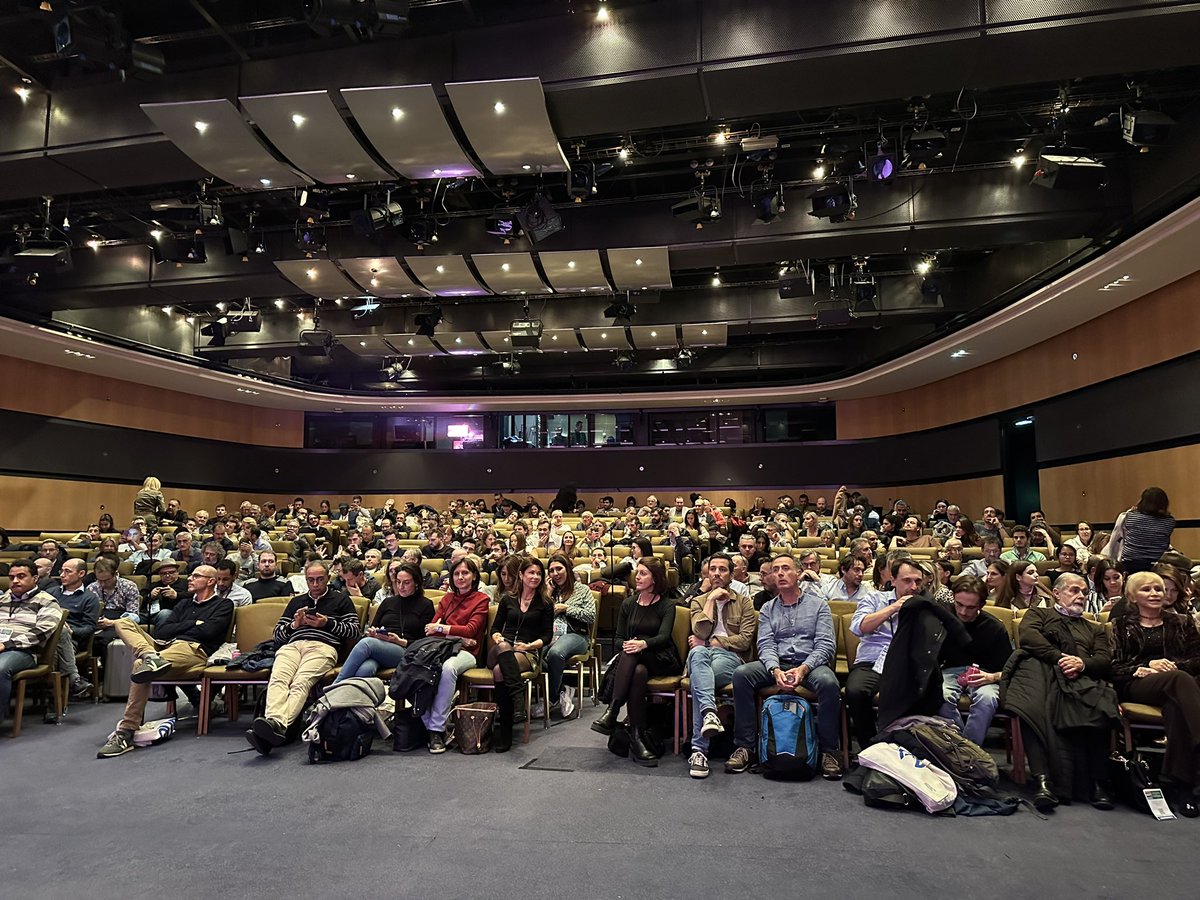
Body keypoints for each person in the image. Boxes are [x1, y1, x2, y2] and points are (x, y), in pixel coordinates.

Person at [1001, 573, 1118, 812]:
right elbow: (1029, 638)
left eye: (1084, 592)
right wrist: (1061, 658)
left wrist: (1082, 664)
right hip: (1040, 671)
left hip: (1081, 678)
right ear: (1056, 593)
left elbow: (1104, 660)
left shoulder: (1093, 628)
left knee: (1100, 705)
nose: (1081, 596)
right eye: (1074, 590)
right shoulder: (1039, 614)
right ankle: (1043, 781)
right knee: (1030, 706)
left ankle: (1097, 783)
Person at [726, 554, 843, 780]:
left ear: (798, 574)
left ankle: (829, 751)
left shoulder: (819, 606)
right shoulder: (768, 608)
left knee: (829, 683)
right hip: (778, 663)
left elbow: (826, 645)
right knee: (741, 674)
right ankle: (746, 747)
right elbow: (766, 643)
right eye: (776, 569)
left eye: (786, 569)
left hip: (810, 664)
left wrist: (803, 669)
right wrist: (774, 670)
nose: (779, 573)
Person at [97, 566, 234, 758]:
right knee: (122, 622)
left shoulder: (223, 605)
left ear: (211, 581)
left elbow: (209, 632)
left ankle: (126, 732)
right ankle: (150, 656)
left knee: (139, 666)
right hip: (163, 646)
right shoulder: (184, 604)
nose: (190, 579)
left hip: (192, 650)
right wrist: (195, 623)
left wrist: (181, 628)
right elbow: (162, 631)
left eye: (196, 576)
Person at [1110, 570, 1200, 817]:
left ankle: (1183, 787)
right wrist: (1144, 668)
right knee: (1179, 681)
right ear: (1132, 595)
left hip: (1178, 688)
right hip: (1138, 686)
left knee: (1176, 707)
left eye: (1159, 589)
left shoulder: (1182, 622)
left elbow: (1197, 659)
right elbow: (1113, 665)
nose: (1155, 593)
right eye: (1147, 589)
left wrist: (1173, 666)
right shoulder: (1120, 625)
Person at [247, 561, 360, 754]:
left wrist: (327, 623)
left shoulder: (341, 600)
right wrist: (294, 625)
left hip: (323, 647)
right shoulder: (296, 602)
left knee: (300, 682)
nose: (315, 584)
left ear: (328, 578)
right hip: (293, 645)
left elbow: (354, 631)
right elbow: (277, 635)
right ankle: (275, 727)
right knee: (278, 680)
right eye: (311, 580)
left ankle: (275, 726)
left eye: (319, 580)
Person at [591, 557, 679, 766]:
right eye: (637, 572)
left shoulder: (667, 605)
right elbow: (619, 638)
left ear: (655, 578)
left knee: (633, 654)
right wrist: (630, 645)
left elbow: (663, 637)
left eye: (643, 573)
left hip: (660, 657)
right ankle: (638, 738)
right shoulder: (629, 604)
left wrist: (642, 644)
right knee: (638, 672)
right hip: (636, 659)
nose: (637, 577)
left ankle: (613, 710)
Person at [684, 554, 756, 779]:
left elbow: (744, 641)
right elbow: (701, 631)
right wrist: (711, 600)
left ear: (731, 575)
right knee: (697, 654)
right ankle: (709, 714)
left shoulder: (744, 602)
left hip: (730, 657)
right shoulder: (698, 601)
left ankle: (698, 751)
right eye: (712, 569)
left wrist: (715, 642)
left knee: (699, 678)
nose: (716, 573)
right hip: (702, 656)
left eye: (722, 570)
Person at [846, 558, 922, 752]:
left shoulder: (925, 605)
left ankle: (907, 749)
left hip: (906, 665)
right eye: (907, 581)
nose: (913, 587)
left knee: (919, 692)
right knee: (855, 692)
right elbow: (859, 627)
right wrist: (895, 607)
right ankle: (871, 748)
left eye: (918, 581)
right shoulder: (874, 598)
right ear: (893, 580)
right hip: (872, 662)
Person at [421, 556, 490, 754]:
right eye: (457, 573)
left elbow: (471, 630)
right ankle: (428, 723)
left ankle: (436, 728)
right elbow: (430, 630)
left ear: (474, 576)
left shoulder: (481, 599)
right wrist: (457, 637)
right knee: (417, 666)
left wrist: (444, 628)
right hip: (444, 648)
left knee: (448, 668)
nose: (460, 577)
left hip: (468, 653)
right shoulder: (447, 598)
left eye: (465, 573)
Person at [937, 576, 1013, 746]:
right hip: (948, 671)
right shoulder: (942, 619)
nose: (963, 612)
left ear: (981, 605)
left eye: (970, 607)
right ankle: (964, 748)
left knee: (987, 699)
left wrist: (991, 677)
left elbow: (1009, 669)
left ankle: (968, 750)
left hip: (986, 674)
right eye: (959, 605)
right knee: (939, 695)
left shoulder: (994, 627)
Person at [489, 556, 554, 752]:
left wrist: (529, 646)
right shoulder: (507, 599)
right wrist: (499, 638)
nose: (535, 577)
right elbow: (495, 629)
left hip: (527, 652)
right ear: (521, 575)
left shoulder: (545, 603)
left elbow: (547, 636)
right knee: (503, 648)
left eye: (538, 573)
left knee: (500, 671)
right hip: (501, 647)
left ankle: (505, 729)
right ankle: (518, 700)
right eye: (531, 573)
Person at [334, 563, 433, 683]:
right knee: (364, 670)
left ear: (416, 583)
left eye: (406, 583)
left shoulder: (425, 605)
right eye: (398, 582)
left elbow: (427, 642)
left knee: (367, 644)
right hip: (381, 647)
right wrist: (373, 633)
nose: (401, 586)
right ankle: (350, 701)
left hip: (408, 651)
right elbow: (373, 628)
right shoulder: (388, 602)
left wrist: (399, 641)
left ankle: (333, 687)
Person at [0, 560, 62, 730]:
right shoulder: (3, 599)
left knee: (0, 667)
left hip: (25, 652)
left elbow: (42, 632)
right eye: (11, 577)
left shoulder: (47, 601)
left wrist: (8, 644)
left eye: (21, 576)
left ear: (35, 578)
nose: (15, 581)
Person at [543, 553, 596, 717]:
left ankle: (551, 699)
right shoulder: (549, 592)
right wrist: (547, 594)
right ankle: (563, 690)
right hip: (550, 634)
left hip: (576, 635)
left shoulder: (582, 590)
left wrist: (567, 609)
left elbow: (591, 615)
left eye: (559, 568)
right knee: (533, 656)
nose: (555, 573)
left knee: (555, 653)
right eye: (551, 570)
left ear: (568, 569)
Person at [50, 558, 98, 699]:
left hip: (72, 640)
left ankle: (53, 704)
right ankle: (74, 679)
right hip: (45, 636)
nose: (62, 575)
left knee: (61, 635)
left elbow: (89, 628)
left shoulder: (89, 598)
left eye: (67, 571)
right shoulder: (50, 593)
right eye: (61, 571)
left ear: (81, 573)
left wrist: (71, 630)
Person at [1107, 487, 1176, 576]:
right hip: (1156, 565)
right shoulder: (1169, 521)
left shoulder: (1130, 516)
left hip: (1130, 563)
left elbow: (1116, 538)